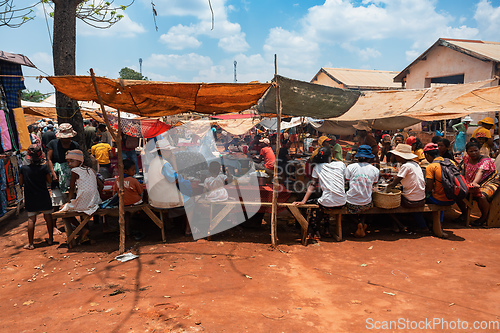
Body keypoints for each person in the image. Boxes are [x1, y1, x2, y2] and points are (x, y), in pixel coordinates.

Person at [293, 146, 346, 240]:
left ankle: (315, 231)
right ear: (331, 156)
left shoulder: (317, 167)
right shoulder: (341, 165)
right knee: (324, 202)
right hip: (342, 202)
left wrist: (303, 201)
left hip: (326, 203)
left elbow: (312, 185)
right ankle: (326, 230)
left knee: (311, 206)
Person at [59, 150, 103, 244]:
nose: (70, 164)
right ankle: (84, 233)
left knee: (64, 211)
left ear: (79, 161)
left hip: (84, 200)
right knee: (82, 209)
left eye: (72, 161)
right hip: (94, 200)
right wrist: (95, 195)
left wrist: (69, 202)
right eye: (68, 162)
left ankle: (82, 229)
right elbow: (101, 186)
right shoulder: (91, 170)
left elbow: (71, 189)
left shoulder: (75, 171)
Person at [19, 145, 55, 250]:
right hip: (43, 195)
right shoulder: (44, 168)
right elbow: (49, 181)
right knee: (48, 216)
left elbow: (21, 182)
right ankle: (51, 239)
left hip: (30, 196)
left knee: (31, 219)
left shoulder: (24, 169)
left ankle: (31, 243)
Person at [46, 123, 80, 232]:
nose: (66, 140)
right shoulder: (53, 144)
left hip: (71, 175)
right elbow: (49, 159)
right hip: (57, 175)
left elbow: (78, 160)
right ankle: (54, 226)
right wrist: (53, 173)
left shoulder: (74, 145)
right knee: (56, 203)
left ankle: (74, 223)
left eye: (68, 138)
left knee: (70, 199)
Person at [386, 144, 428, 232]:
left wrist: (385, 190)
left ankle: (398, 225)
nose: (395, 157)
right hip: (421, 198)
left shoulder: (406, 166)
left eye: (396, 156)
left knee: (389, 203)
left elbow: (394, 183)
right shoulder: (415, 165)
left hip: (411, 201)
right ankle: (419, 224)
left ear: (401, 156)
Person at [456, 142, 499, 226]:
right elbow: (464, 170)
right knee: (458, 192)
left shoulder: (485, 160)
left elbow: (481, 171)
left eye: (476, 150)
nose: (474, 153)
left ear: (479, 150)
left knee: (481, 196)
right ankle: (464, 214)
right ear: (467, 152)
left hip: (490, 181)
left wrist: (474, 183)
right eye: (471, 151)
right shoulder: (466, 158)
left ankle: (483, 218)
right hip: (472, 182)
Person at [345, 145, 379, 237]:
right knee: (368, 203)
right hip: (366, 203)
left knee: (345, 207)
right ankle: (362, 222)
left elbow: (347, 181)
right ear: (369, 158)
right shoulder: (375, 170)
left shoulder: (350, 167)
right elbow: (374, 183)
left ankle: (357, 223)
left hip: (350, 202)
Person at [423, 143, 456, 229]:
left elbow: (429, 188)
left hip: (439, 200)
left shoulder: (431, 166)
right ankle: (439, 221)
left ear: (427, 155)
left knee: (421, 199)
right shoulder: (451, 162)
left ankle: (428, 223)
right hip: (453, 198)